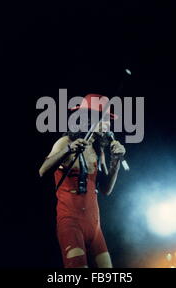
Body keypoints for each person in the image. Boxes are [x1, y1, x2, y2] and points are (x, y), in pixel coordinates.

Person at [39, 94, 126, 268]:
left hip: (94, 225)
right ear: (88, 119)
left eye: (108, 121)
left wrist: (115, 161)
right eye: (104, 119)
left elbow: (106, 189)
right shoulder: (66, 142)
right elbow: (43, 170)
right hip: (71, 222)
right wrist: (68, 150)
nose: (107, 125)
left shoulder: (98, 150)